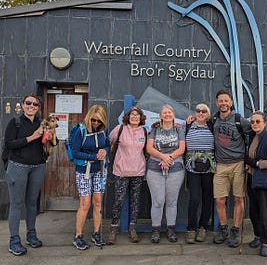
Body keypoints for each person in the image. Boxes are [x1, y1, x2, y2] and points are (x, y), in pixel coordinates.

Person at [4, 94, 56, 256]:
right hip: (18, 166)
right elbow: (9, 143)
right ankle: (14, 240)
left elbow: (53, 142)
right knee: (17, 203)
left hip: (38, 166)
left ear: (38, 108)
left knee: (32, 202)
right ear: (23, 104)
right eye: (28, 103)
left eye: (35, 104)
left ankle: (31, 235)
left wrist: (51, 134)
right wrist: (32, 137)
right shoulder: (16, 122)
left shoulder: (42, 123)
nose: (31, 106)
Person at [211, 90, 252, 248]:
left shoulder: (238, 119)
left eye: (226, 101)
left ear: (231, 102)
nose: (223, 103)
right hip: (220, 165)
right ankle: (223, 229)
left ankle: (235, 230)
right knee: (220, 199)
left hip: (238, 164)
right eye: (220, 101)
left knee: (238, 199)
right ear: (216, 103)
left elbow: (256, 130)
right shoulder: (213, 120)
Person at [106, 106, 147, 244]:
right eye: (132, 115)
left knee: (135, 201)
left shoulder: (145, 131)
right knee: (118, 200)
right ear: (128, 117)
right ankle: (113, 228)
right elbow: (108, 142)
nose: (134, 117)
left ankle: (132, 228)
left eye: (137, 115)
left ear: (141, 117)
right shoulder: (120, 129)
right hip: (121, 170)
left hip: (138, 170)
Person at [146, 104, 186, 243]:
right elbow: (149, 148)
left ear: (173, 115)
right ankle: (156, 230)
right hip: (154, 169)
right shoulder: (155, 129)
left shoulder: (179, 129)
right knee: (157, 201)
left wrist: (168, 158)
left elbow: (181, 149)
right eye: (164, 113)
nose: (167, 115)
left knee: (171, 201)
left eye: (169, 112)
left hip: (175, 169)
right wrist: (162, 157)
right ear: (160, 115)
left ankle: (171, 229)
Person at [72, 105, 110, 250]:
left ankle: (96, 233)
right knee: (85, 203)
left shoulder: (103, 131)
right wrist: (92, 156)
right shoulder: (80, 131)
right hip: (84, 171)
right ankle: (78, 235)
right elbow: (75, 152)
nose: (95, 123)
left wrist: (104, 151)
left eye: (99, 121)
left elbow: (108, 145)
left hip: (100, 170)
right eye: (93, 120)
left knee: (98, 202)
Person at [244, 111, 267, 257]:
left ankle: (265, 243)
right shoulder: (254, 137)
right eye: (253, 122)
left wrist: (257, 163)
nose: (255, 124)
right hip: (253, 179)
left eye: (258, 121)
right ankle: (257, 236)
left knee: (264, 213)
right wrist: (249, 165)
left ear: (264, 123)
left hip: (265, 181)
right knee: (254, 212)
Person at [184, 103, 215, 244]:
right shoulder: (188, 125)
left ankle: (203, 227)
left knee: (207, 197)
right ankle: (191, 228)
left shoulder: (212, 126)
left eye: (204, 111)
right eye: (198, 110)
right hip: (192, 167)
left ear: (208, 114)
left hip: (209, 166)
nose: (201, 113)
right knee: (195, 198)